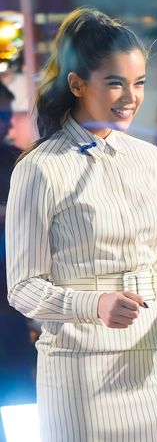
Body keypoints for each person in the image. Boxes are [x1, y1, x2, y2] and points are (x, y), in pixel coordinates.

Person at [5, 7, 157, 442]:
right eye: (115, 82)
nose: (130, 96)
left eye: (139, 83)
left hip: (156, 363)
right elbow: (23, 288)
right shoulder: (38, 169)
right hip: (80, 373)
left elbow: (156, 268)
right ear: (77, 84)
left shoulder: (147, 159)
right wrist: (95, 305)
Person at [0, 81, 36, 408]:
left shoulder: (18, 163)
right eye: (1, 115)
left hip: (10, 304)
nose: (8, 123)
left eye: (8, 115)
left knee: (18, 400)